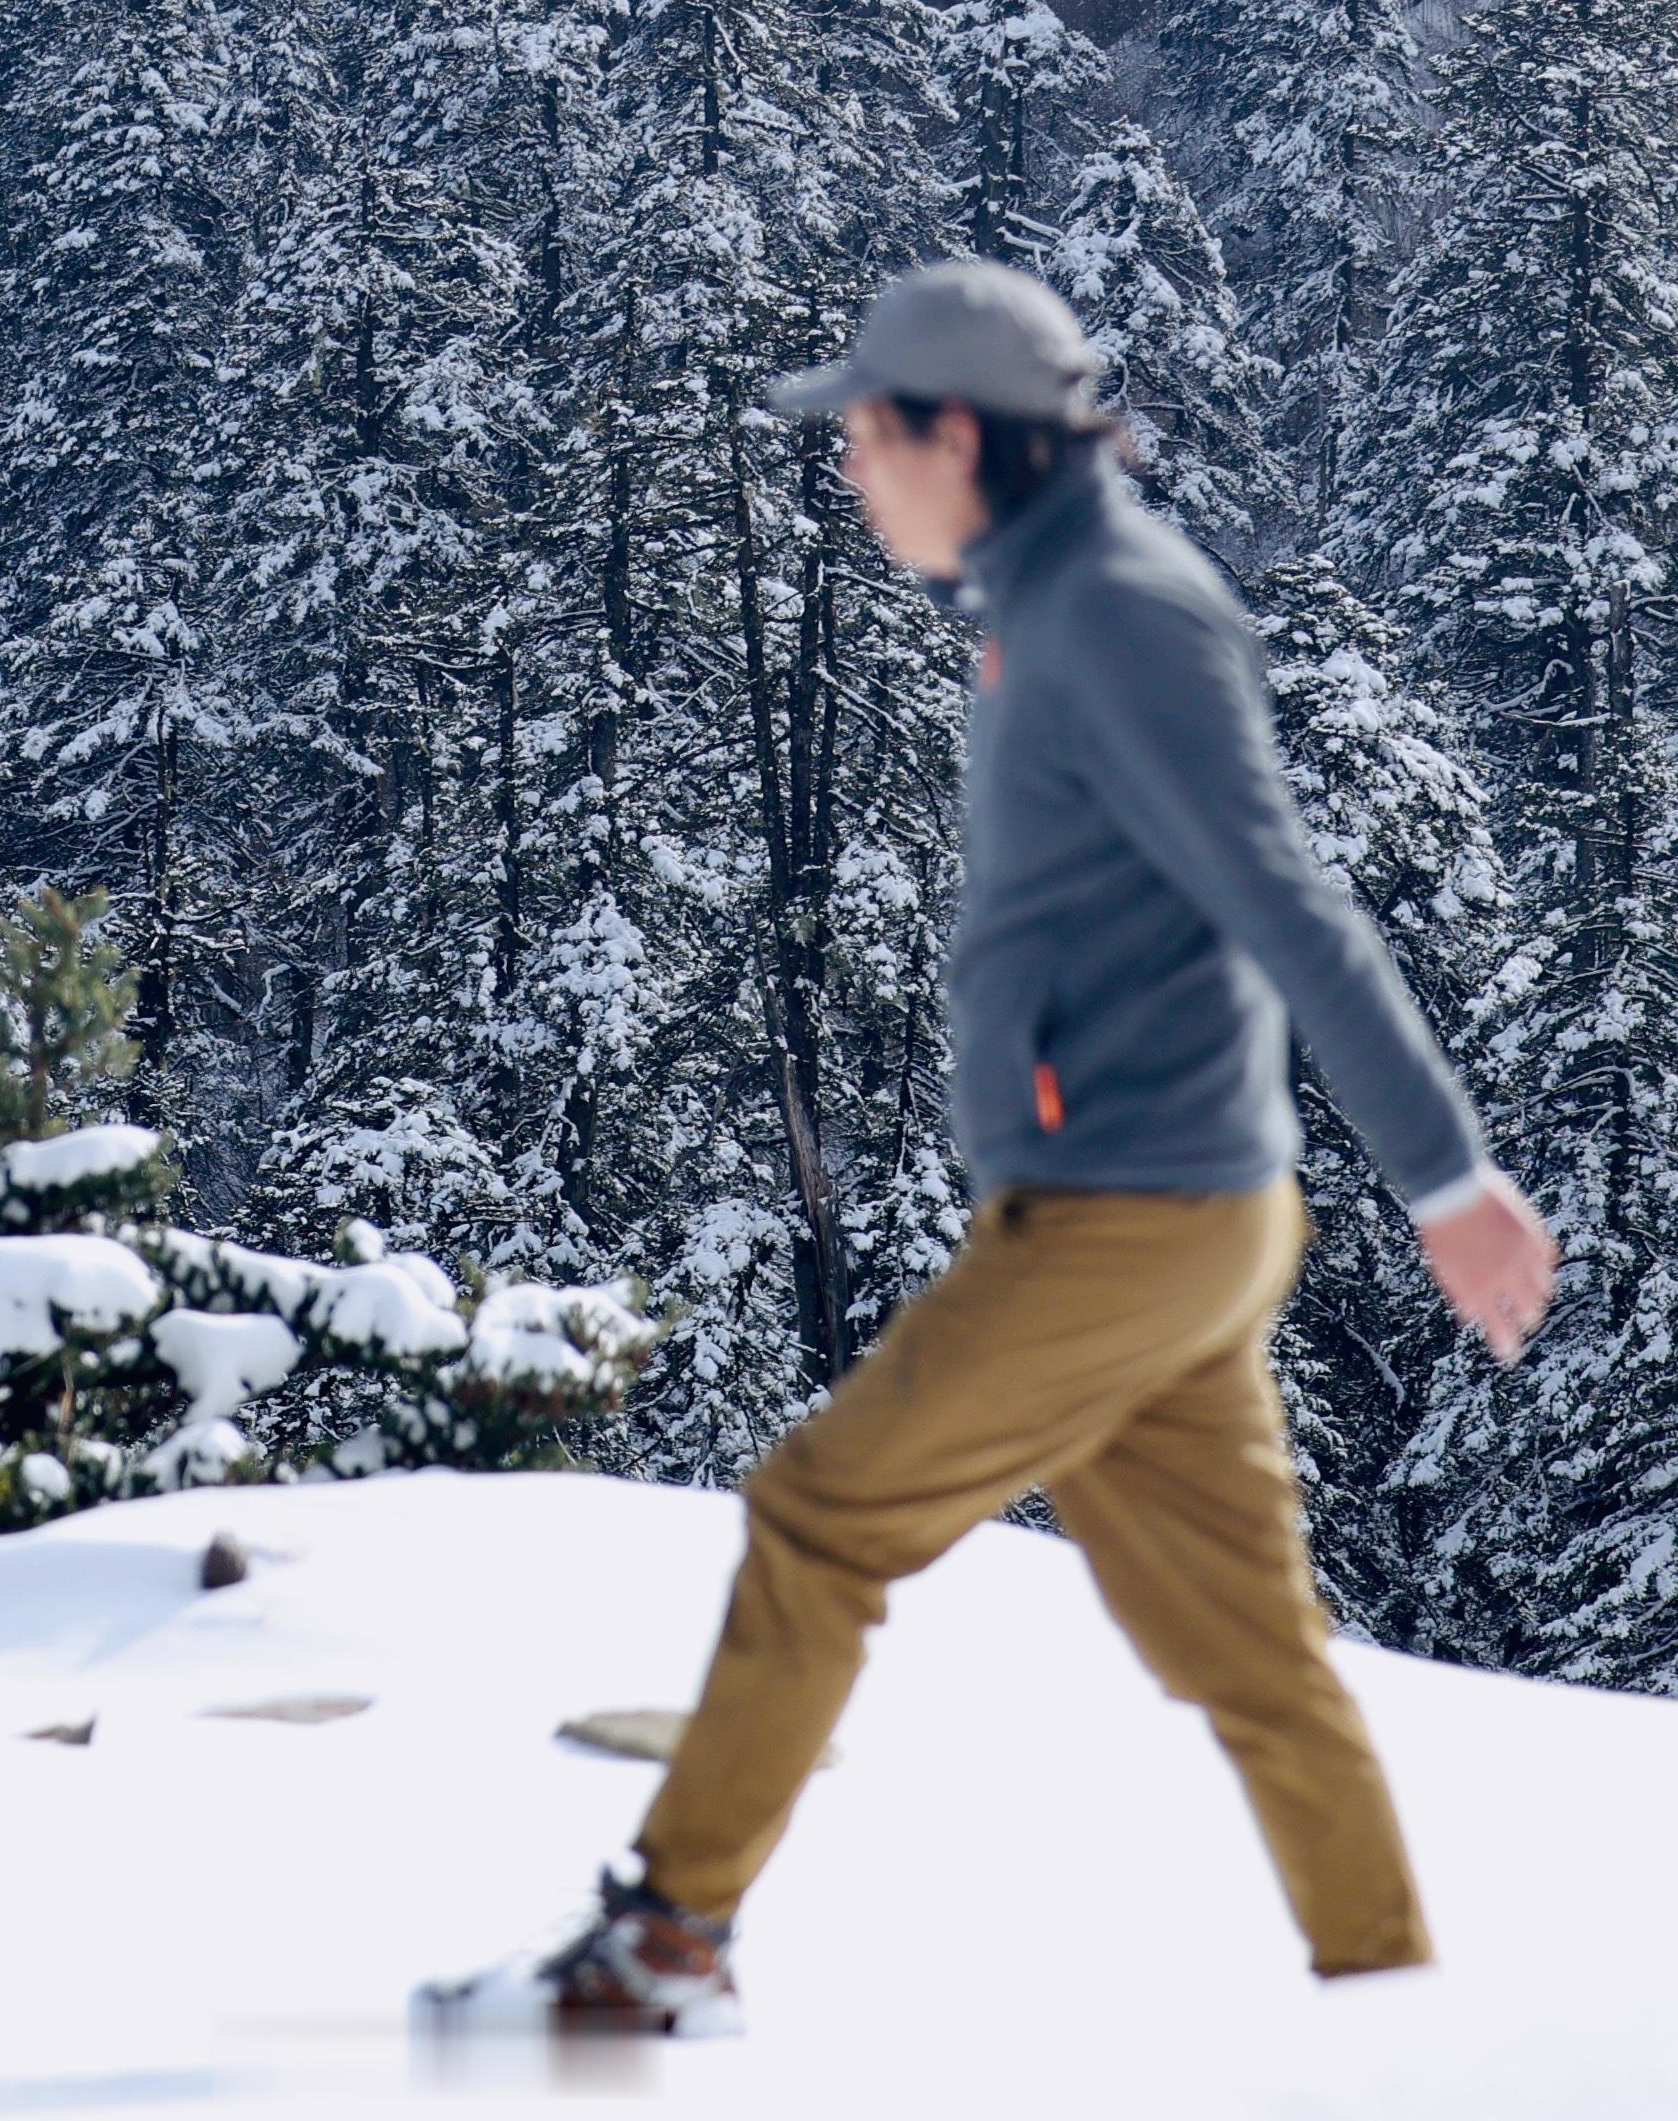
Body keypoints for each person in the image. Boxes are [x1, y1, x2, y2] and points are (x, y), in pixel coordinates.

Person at [466, 257, 1558, 2037]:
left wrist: (1447, 1179)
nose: (848, 472)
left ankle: (669, 1939)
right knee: (1254, 1655)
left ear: (960, 436)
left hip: (1136, 1217)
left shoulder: (1120, 612)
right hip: (1162, 1212)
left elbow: (1288, 899)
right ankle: (1394, 2008)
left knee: (819, 1521)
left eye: (867, 436)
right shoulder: (1049, 598)